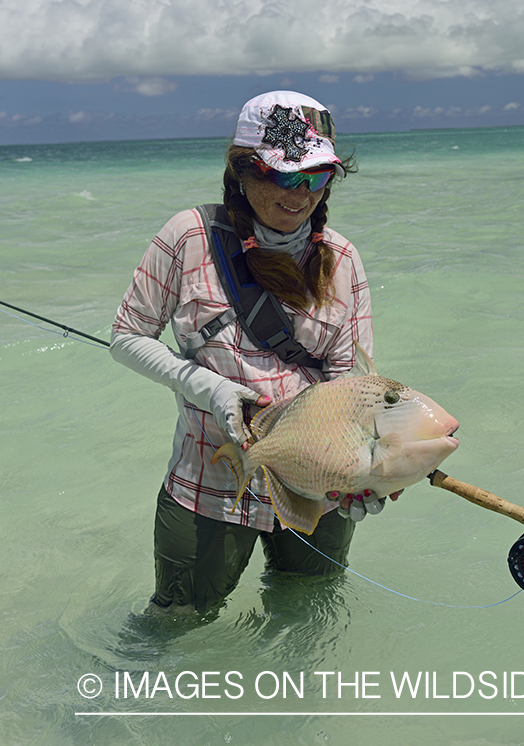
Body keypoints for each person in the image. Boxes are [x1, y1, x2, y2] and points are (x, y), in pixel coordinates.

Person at [110, 90, 377, 615]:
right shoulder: (188, 235)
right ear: (241, 170)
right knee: (176, 624)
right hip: (207, 477)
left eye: (316, 177)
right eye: (282, 175)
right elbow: (127, 337)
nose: (300, 194)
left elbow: (352, 387)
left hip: (314, 487)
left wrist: (364, 472)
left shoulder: (342, 259)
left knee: (305, 616)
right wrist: (210, 388)